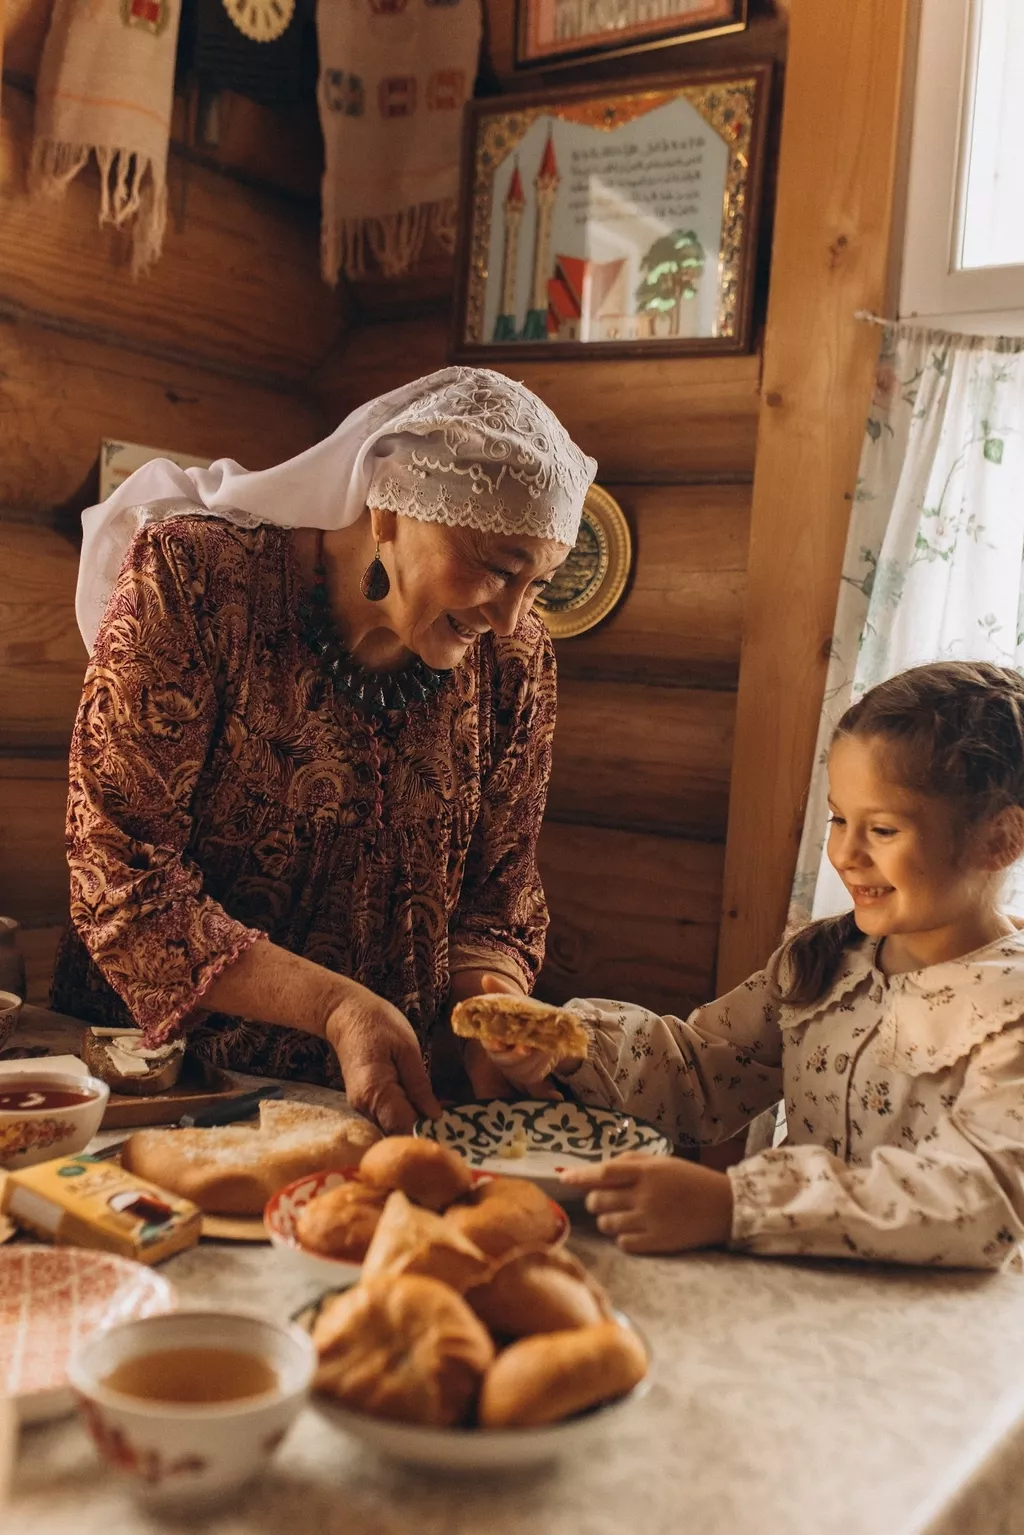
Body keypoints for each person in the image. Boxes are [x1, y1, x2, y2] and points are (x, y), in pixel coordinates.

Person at [51, 367, 596, 1132]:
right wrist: (338, 1007)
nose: (510, 617)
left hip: (369, 1098)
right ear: (390, 509)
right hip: (157, 1085)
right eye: (499, 569)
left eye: (538, 585)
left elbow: (497, 893)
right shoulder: (196, 582)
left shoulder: (514, 660)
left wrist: (494, 1017)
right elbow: (121, 877)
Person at [483, 662, 1024, 1269]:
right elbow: (702, 1070)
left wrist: (737, 1204)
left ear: (1000, 840)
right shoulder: (822, 962)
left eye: (882, 829)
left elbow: (985, 1199)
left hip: (941, 1322)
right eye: (839, 819)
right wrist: (571, 1046)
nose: (845, 853)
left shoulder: (1011, 1011)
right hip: (798, 1294)